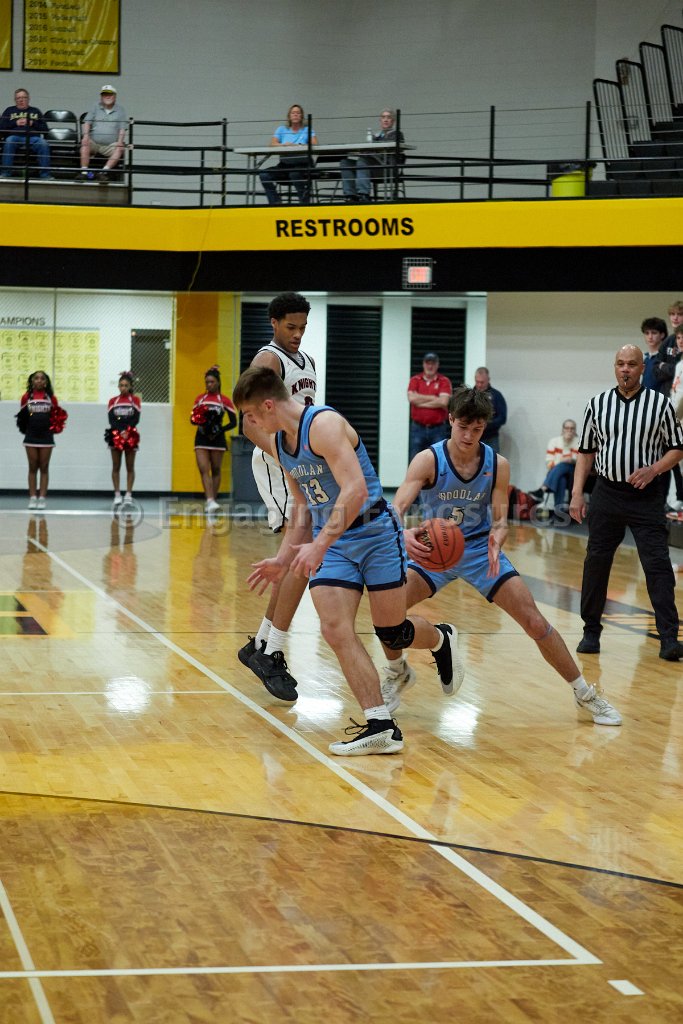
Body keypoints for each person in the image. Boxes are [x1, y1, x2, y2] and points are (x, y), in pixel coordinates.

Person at [234, 366, 463, 755]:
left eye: (251, 415)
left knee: (392, 632)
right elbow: (302, 509)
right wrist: (282, 558)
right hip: (336, 546)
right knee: (334, 628)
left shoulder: (323, 424)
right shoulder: (280, 444)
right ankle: (381, 725)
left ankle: (441, 639)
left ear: (268, 405)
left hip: (375, 534)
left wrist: (319, 545)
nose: (250, 423)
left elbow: (355, 490)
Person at [380, 386, 621, 727]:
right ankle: (398, 671)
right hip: (434, 550)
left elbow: (500, 520)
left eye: (477, 429)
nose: (469, 435)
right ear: (450, 420)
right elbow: (397, 509)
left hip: (480, 550)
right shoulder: (428, 460)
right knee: (386, 612)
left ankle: (585, 693)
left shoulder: (497, 464)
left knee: (534, 622)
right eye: (463, 426)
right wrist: (403, 535)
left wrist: (498, 535)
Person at [570, 345, 683, 662]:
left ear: (642, 367)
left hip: (646, 496)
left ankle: (669, 638)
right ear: (614, 367)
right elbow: (586, 453)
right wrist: (577, 493)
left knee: (657, 565)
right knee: (596, 562)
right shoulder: (597, 404)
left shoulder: (660, 404)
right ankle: (591, 632)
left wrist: (654, 469)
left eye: (632, 364)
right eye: (620, 363)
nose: (625, 369)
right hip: (607, 492)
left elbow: (677, 448)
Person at [237, 292, 317, 702]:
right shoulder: (268, 359)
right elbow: (249, 423)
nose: (298, 334)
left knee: (297, 555)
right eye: (291, 326)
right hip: (277, 460)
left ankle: (263, 645)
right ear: (273, 323)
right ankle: (271, 650)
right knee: (299, 551)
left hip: (299, 459)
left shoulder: (307, 361)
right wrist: (285, 456)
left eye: (302, 327)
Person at [191, 365, 237, 514]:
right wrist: (200, 422)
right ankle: (209, 500)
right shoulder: (200, 399)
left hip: (217, 439)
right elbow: (192, 419)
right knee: (203, 468)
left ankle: (213, 500)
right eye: (207, 382)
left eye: (212, 382)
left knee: (216, 469)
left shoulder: (224, 400)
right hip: (201, 437)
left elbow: (234, 422)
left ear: (218, 382)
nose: (209, 385)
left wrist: (219, 429)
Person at [17, 370, 64, 510]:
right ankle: (32, 497)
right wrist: (27, 429)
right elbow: (22, 418)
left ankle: (42, 498)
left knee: (44, 467)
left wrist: (53, 429)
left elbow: (56, 418)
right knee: (32, 466)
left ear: (46, 382)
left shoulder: (51, 398)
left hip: (46, 436)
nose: (39, 380)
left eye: (42, 378)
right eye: (36, 378)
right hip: (31, 436)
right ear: (32, 381)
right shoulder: (26, 397)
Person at [340, 108, 404, 203]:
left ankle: (363, 195)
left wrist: (370, 151)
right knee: (345, 162)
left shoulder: (397, 134)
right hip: (372, 167)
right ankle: (350, 195)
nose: (385, 120)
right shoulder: (376, 135)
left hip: (387, 168)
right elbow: (370, 150)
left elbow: (383, 148)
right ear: (380, 120)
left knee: (362, 161)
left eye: (389, 117)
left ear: (393, 121)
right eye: (383, 117)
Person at [259, 104, 317, 206]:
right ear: (289, 116)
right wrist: (283, 145)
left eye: (298, 113)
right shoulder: (281, 129)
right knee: (264, 175)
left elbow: (314, 144)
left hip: (303, 164)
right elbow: (272, 144)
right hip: (285, 165)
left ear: (302, 116)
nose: (295, 115)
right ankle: (275, 202)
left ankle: (304, 204)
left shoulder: (307, 130)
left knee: (294, 174)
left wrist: (298, 146)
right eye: (293, 113)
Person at [407, 352, 452, 462]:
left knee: (439, 460)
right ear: (423, 364)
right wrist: (433, 397)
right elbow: (411, 399)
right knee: (415, 460)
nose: (430, 366)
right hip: (417, 428)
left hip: (438, 429)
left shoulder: (444, 381)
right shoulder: (415, 380)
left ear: (437, 365)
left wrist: (420, 402)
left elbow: (444, 402)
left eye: (433, 363)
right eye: (428, 363)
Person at [528, 419, 579, 516]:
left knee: (566, 464)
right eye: (567, 428)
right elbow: (549, 463)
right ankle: (558, 512)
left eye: (572, 428)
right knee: (561, 479)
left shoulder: (578, 442)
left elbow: (577, 461)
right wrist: (564, 460)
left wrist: (567, 460)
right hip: (557, 472)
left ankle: (542, 489)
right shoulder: (554, 441)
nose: (569, 430)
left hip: (573, 473)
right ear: (562, 430)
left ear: (575, 430)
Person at [79, 84, 127, 183]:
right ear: (101, 97)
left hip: (110, 145)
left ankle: (104, 172)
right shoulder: (95, 106)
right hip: (94, 143)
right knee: (85, 143)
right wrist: (86, 136)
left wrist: (120, 141)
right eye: (105, 94)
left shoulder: (120, 110)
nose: (107, 96)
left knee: (120, 148)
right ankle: (83, 172)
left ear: (115, 96)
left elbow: (122, 129)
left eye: (110, 94)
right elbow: (87, 123)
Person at [0, 87, 52, 179]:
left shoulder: (35, 111)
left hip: (33, 138)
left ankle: (45, 175)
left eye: (24, 97)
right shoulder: (9, 110)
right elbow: (1, 127)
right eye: (18, 98)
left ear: (28, 99)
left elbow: (45, 129)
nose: (21, 100)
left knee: (43, 143)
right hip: (14, 137)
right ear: (15, 100)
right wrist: (15, 123)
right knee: (9, 141)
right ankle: (5, 173)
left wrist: (32, 123)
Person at [106, 371, 141, 507]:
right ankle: (117, 494)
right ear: (118, 386)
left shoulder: (135, 400)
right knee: (116, 466)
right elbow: (111, 419)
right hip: (116, 434)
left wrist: (127, 431)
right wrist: (120, 431)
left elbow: (136, 418)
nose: (123, 388)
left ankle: (128, 494)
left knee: (130, 466)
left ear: (130, 386)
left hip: (130, 434)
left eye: (126, 385)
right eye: (121, 385)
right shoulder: (113, 401)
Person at [474, 366, 506, 452]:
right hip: (473, 437)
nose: (479, 385)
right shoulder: (469, 395)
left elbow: (502, 418)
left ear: (488, 380)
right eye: (477, 382)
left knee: (492, 460)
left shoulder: (496, 395)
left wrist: (487, 424)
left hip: (491, 438)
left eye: (482, 382)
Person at [640, 316, 668, 392]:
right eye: (647, 333)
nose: (650, 337)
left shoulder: (666, 358)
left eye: (654, 333)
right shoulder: (645, 358)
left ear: (662, 335)